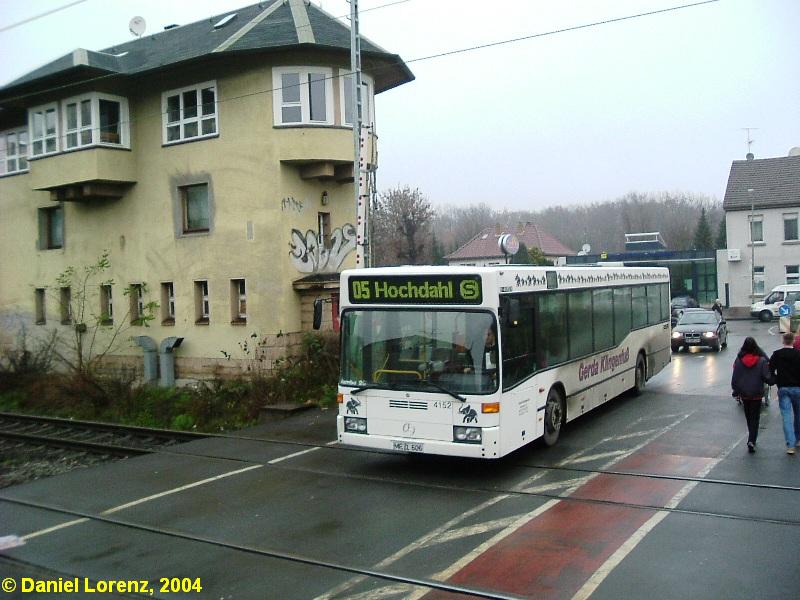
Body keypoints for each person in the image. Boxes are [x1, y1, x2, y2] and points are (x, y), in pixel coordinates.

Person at [731, 337, 773, 453]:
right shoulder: (761, 360)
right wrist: (774, 380)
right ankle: (752, 440)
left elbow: (735, 377)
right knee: (755, 417)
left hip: (744, 393)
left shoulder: (739, 360)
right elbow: (767, 377)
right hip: (756, 393)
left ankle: (751, 437)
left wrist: (736, 390)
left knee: (749, 417)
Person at [769, 331, 800, 455]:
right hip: (798, 388)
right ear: (793, 341)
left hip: (783, 388)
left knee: (786, 416)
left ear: (783, 341)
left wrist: (776, 378)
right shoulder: (799, 354)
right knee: (798, 415)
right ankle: (798, 439)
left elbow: (770, 370)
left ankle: (790, 445)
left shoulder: (777, 355)